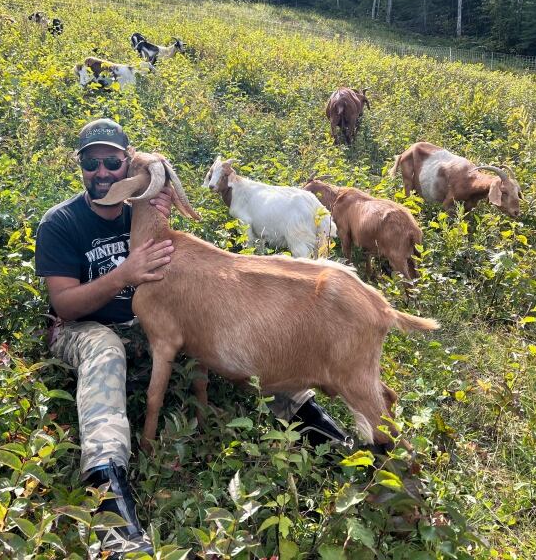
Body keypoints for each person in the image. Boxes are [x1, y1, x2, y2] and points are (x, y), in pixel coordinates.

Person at [35, 118, 350, 558]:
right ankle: (111, 504)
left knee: (230, 339)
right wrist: (123, 275)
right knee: (105, 353)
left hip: (155, 325)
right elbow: (65, 304)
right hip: (86, 327)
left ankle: (328, 438)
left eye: (112, 161)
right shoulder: (61, 223)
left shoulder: (142, 210)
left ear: (127, 166)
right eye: (91, 162)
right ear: (81, 166)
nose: (102, 172)